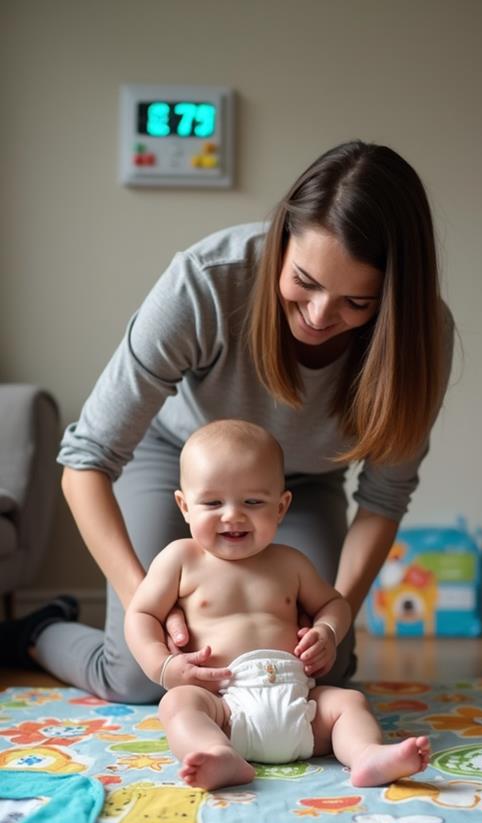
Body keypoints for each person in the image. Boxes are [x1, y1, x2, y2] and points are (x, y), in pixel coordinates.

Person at [0, 140, 454, 701]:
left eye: (356, 304)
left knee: (320, 674)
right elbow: (84, 462)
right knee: (139, 674)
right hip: (174, 462)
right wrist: (153, 609)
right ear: (282, 239)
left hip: (303, 484)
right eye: (305, 284)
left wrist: (329, 627)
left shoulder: (421, 335)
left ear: (391, 299)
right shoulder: (206, 282)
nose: (319, 317)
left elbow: (384, 498)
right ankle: (37, 631)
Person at [125, 419, 431, 790]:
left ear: (281, 507)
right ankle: (218, 754)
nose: (232, 515)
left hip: (300, 704)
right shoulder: (180, 559)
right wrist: (163, 666)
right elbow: (141, 614)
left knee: (348, 703)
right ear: (184, 506)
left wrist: (327, 632)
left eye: (253, 502)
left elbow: (333, 604)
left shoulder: (291, 562)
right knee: (178, 705)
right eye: (212, 502)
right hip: (223, 704)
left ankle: (366, 755)